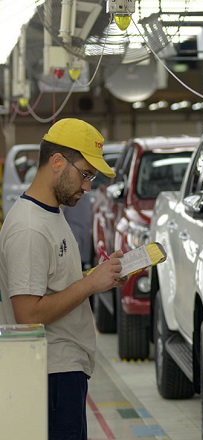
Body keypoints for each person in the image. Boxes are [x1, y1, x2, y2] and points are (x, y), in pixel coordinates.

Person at [0, 118, 126, 440]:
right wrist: (90, 284)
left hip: (61, 371)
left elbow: (52, 283)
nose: (87, 186)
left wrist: (97, 276)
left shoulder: (50, 212)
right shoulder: (29, 228)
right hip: (49, 375)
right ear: (57, 162)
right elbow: (27, 314)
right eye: (85, 174)